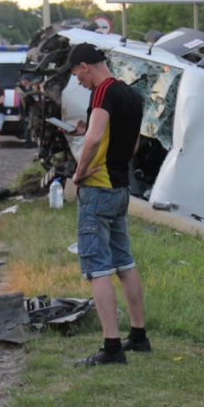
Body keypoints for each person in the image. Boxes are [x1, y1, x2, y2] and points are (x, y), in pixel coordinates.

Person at [67, 43, 150, 367]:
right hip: (119, 188)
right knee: (124, 261)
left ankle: (112, 348)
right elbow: (132, 144)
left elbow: (95, 138)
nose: (78, 82)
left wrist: (79, 172)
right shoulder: (131, 95)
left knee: (97, 268)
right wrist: (87, 131)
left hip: (98, 188)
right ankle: (139, 337)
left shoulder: (102, 92)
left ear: (86, 66)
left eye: (77, 75)